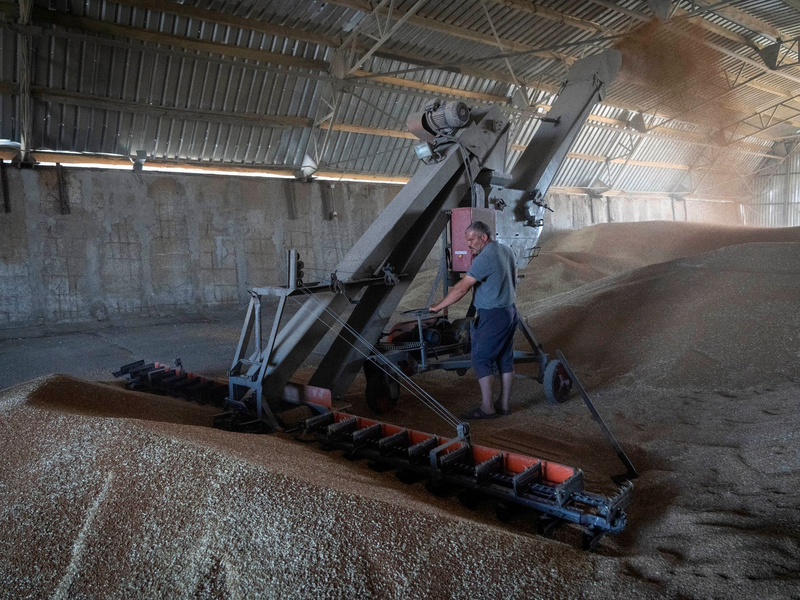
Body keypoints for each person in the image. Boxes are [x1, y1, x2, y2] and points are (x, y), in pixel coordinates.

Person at [429, 221, 519, 419]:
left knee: (480, 358)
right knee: (504, 357)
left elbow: (462, 287)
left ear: (483, 237)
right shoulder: (506, 251)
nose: (468, 244)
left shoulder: (485, 258)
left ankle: (487, 408)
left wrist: (439, 306)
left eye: (471, 239)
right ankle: (503, 405)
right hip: (510, 311)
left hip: (493, 315)